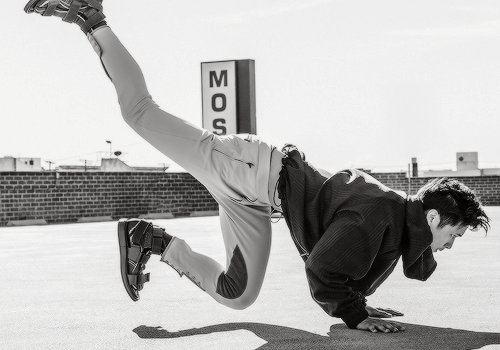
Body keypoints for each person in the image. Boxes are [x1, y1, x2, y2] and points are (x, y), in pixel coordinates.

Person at [24, 0, 490, 334]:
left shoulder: (398, 221)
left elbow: (406, 257)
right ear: (432, 217)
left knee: (237, 293)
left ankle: (150, 239)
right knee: (140, 111)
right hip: (246, 167)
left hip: (256, 200)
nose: (451, 244)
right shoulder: (377, 213)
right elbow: (326, 272)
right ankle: (94, 18)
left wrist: (360, 305)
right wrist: (355, 313)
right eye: (456, 233)